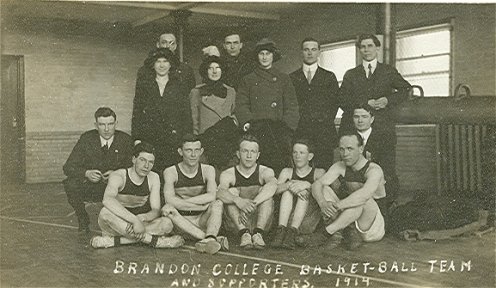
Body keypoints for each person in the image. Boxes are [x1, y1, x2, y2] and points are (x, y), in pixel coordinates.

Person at [90, 142, 185, 249]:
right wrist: (134, 220)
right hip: (116, 222)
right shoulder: (119, 175)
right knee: (105, 212)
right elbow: (107, 200)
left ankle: (116, 241)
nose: (146, 166)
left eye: (150, 162)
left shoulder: (154, 177)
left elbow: (155, 209)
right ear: (134, 159)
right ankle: (154, 241)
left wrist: (142, 218)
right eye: (142, 160)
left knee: (167, 223)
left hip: (139, 224)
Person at [311, 132, 386, 250]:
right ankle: (343, 232)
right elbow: (317, 184)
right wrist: (323, 203)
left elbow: (364, 196)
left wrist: (336, 206)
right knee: (323, 188)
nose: (345, 154)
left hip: (371, 226)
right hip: (350, 219)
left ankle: (326, 233)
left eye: (350, 149)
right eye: (342, 149)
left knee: (363, 199)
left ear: (361, 149)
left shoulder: (374, 170)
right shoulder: (340, 166)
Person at [63, 107, 133, 232]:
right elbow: (68, 167)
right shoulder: (87, 139)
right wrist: (87, 173)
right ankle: (83, 219)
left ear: (116, 124)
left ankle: (124, 219)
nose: (106, 129)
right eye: (102, 124)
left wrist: (117, 174)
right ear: (96, 125)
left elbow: (133, 167)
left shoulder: (125, 140)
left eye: (110, 124)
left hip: (117, 188)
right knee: (70, 184)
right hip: (93, 186)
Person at [162, 134, 228, 254]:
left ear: (201, 151)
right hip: (180, 222)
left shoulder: (208, 170)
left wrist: (184, 203)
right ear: (180, 152)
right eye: (188, 150)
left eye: (197, 150)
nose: (193, 155)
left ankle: (209, 238)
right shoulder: (171, 171)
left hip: (201, 220)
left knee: (218, 203)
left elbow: (211, 196)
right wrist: (201, 205)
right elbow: (169, 200)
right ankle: (209, 238)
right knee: (167, 209)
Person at [338, 34, 411, 143]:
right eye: (363, 47)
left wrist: (387, 100)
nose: (366, 50)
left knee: (384, 159)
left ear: (377, 48)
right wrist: (365, 103)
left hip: (382, 128)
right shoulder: (351, 74)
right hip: (353, 129)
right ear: (359, 50)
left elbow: (406, 90)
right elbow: (342, 99)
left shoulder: (388, 71)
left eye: (370, 46)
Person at [132, 48, 192, 174]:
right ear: (153, 65)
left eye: (165, 61)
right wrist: (137, 138)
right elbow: (137, 112)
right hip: (150, 137)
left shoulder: (179, 85)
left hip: (173, 139)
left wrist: (186, 139)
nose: (162, 65)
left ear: (170, 64)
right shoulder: (145, 85)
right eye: (158, 61)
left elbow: (186, 114)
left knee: (171, 173)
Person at [217, 134, 278, 249]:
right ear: (238, 154)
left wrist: (250, 205)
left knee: (267, 195)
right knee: (231, 192)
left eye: (253, 152)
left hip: (259, 220)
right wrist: (238, 201)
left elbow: (273, 185)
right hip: (237, 222)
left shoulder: (265, 171)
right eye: (245, 151)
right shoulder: (228, 173)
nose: (249, 156)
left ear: (258, 155)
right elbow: (219, 193)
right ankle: (243, 234)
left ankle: (258, 234)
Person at [290, 38, 340, 169]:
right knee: (301, 168)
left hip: (324, 132)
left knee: (324, 169)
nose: (310, 53)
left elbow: (335, 103)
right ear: (301, 52)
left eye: (313, 50)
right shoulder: (291, 78)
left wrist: (322, 120)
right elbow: (289, 104)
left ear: (319, 52)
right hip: (300, 132)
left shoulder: (329, 77)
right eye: (306, 50)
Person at [235, 38, 300, 132]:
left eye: (268, 53)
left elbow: (292, 106)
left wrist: (287, 127)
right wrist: (247, 122)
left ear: (273, 55)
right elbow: (241, 104)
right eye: (261, 54)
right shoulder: (248, 79)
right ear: (257, 56)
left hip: (279, 130)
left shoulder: (283, 78)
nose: (264, 57)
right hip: (256, 129)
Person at [271, 139, 326, 249]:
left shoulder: (318, 173)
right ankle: (281, 232)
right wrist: (289, 185)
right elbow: (274, 190)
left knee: (304, 193)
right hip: (286, 221)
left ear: (310, 156)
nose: (297, 156)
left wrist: (307, 185)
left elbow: (325, 191)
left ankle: (292, 233)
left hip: (307, 220)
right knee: (287, 192)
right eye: (295, 152)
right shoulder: (287, 172)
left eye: (301, 153)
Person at [352, 104, 399, 214]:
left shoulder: (384, 137)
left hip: (379, 180)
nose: (360, 120)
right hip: (355, 180)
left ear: (372, 119)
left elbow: (388, 166)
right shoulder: (348, 137)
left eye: (364, 117)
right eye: (356, 117)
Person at [190, 56, 236, 135]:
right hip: (205, 137)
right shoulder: (196, 92)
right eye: (210, 68)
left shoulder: (231, 91)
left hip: (227, 137)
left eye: (218, 68)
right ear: (205, 71)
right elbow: (194, 121)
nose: (214, 71)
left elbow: (234, 115)